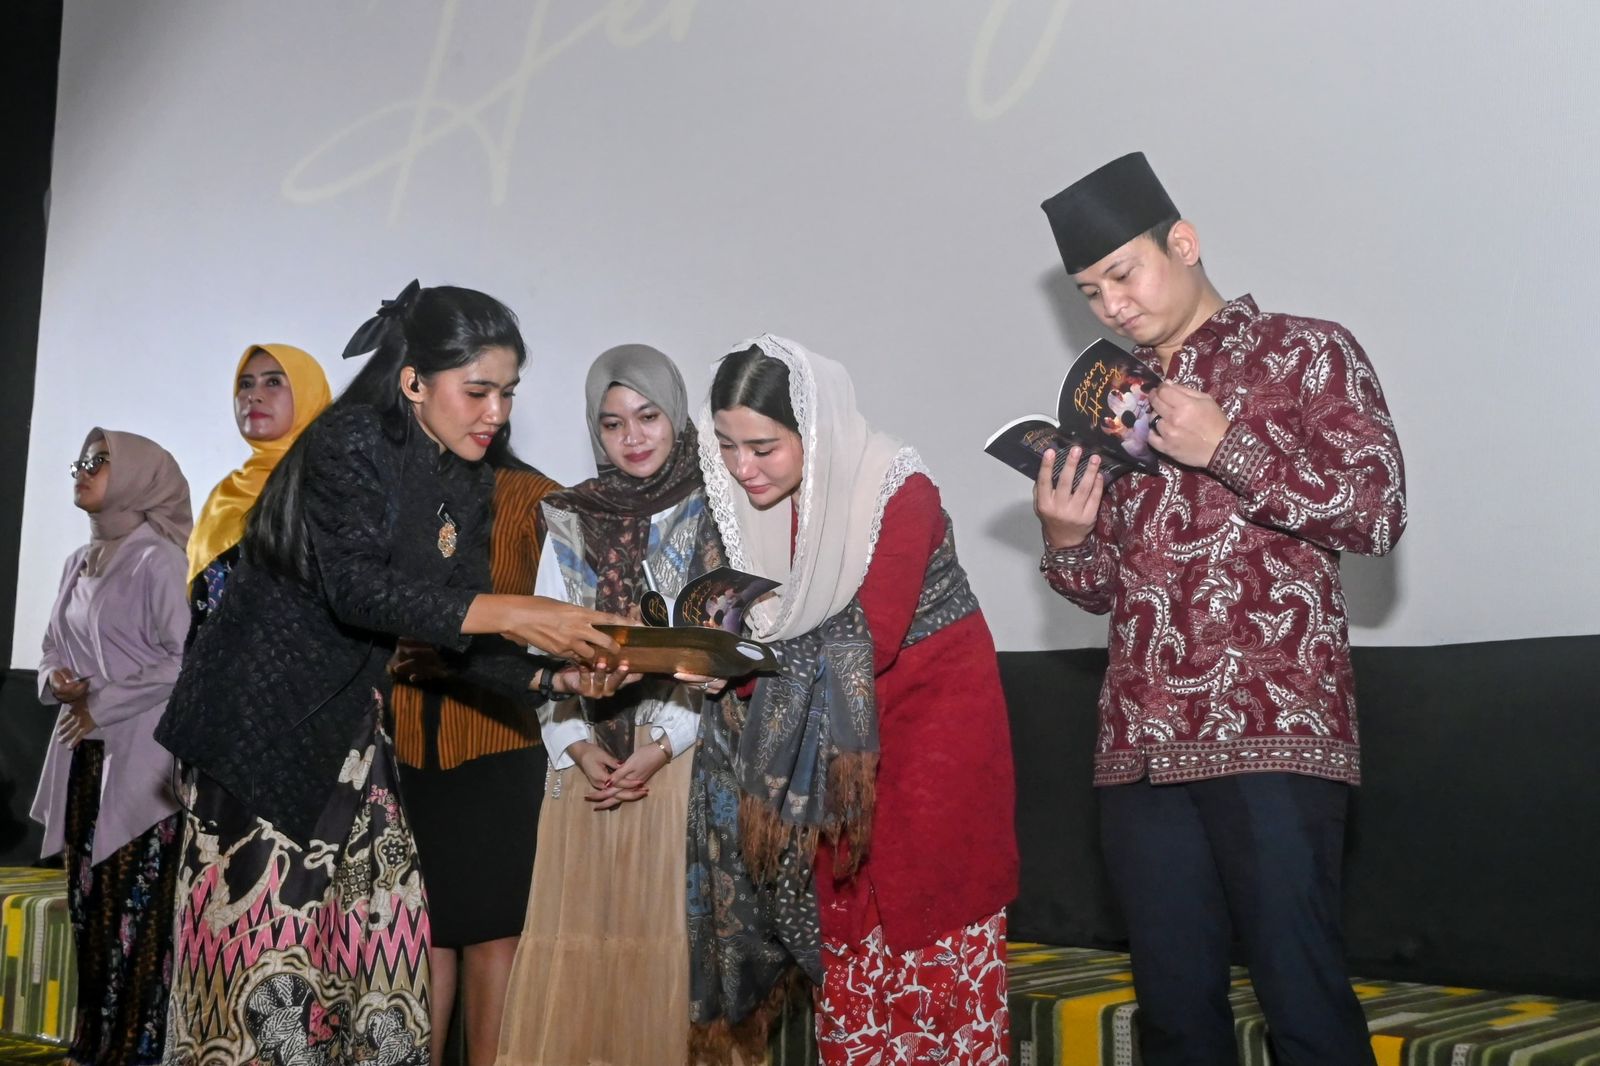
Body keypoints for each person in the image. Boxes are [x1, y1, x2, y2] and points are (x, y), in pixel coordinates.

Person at [155, 281, 633, 1065]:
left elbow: (449, 635)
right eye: (477, 391)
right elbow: (358, 589)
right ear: (413, 380)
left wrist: (554, 681)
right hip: (260, 740)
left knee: (381, 974)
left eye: (508, 393)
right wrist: (517, 611)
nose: (496, 413)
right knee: (269, 985)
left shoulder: (464, 477)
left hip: (351, 736)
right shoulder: (347, 441)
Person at [1034, 151, 1408, 1065]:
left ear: (1185, 243)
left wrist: (1228, 446)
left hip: (1274, 731)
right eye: (1091, 292)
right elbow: (1104, 589)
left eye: (1123, 273)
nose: (1112, 304)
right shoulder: (1109, 406)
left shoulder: (1308, 351)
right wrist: (1066, 539)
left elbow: (1376, 511)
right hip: (1141, 747)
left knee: (1305, 1008)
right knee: (1173, 1021)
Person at [690, 336, 1018, 1065]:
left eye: (763, 448)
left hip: (930, 747)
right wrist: (714, 661)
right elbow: (759, 635)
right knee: (848, 953)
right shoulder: (754, 509)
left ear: (816, 430)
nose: (742, 468)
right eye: (727, 446)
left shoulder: (896, 491)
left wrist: (741, 661)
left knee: (931, 942)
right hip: (828, 753)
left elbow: (868, 640)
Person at [497, 344, 709, 1066]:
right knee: (580, 952)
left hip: (676, 762)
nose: (633, 437)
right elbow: (544, 644)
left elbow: (723, 642)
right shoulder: (569, 515)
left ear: (675, 416)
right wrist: (577, 746)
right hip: (583, 766)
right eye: (613, 423)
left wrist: (660, 745)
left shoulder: (716, 507)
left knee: (665, 951)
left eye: (648, 416)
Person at [390, 432, 562, 1066]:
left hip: (500, 746)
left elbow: (560, 625)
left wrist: (465, 650)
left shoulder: (534, 500)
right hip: (402, 751)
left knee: (495, 931)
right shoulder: (389, 497)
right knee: (416, 932)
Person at [30, 429, 192, 1065]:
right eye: (82, 460)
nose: (83, 470)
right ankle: (91, 1045)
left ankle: (133, 1050)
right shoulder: (79, 558)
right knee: (88, 912)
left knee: (134, 920)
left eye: (100, 461)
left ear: (137, 475)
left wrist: (100, 698)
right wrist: (56, 681)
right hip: (81, 758)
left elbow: (182, 662)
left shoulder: (159, 559)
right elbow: (51, 646)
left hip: (140, 765)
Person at [186, 343, 330, 641]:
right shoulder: (226, 493)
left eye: (273, 382)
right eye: (245, 384)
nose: (254, 395)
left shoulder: (327, 485)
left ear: (308, 392)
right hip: (216, 661)